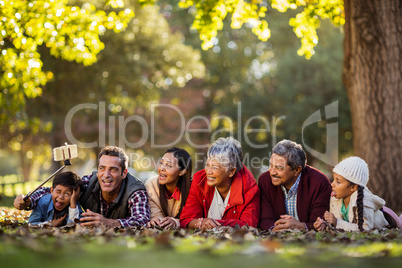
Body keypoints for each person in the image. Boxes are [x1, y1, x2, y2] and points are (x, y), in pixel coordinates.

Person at [14, 146, 150, 228]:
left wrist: (110, 223)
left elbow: (142, 219)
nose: (106, 175)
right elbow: (52, 191)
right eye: (102, 168)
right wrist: (28, 201)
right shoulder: (90, 183)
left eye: (113, 170)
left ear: (124, 173)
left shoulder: (135, 190)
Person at [180, 137, 260, 230]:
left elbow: (249, 224)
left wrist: (213, 224)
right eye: (207, 165)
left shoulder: (249, 188)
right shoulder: (199, 180)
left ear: (231, 171)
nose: (208, 172)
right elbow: (186, 219)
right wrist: (200, 223)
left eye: (215, 167)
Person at [258, 139, 332, 231]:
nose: (272, 172)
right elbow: (265, 219)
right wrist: (276, 228)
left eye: (279, 168)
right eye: (271, 165)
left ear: (297, 170)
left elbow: (319, 222)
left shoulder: (319, 183)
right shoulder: (264, 181)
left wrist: (302, 226)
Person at [314, 156, 402, 231]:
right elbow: (340, 226)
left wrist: (336, 222)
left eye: (338, 181)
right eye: (333, 179)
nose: (332, 184)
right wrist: (325, 225)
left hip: (390, 219)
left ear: (354, 187)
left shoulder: (364, 200)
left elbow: (364, 229)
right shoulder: (336, 198)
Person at [145, 147, 192, 229]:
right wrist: (157, 220)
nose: (161, 168)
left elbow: (192, 217)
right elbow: (156, 215)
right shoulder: (151, 185)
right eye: (161, 163)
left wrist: (176, 222)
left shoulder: (192, 188)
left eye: (169, 165)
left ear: (182, 171)